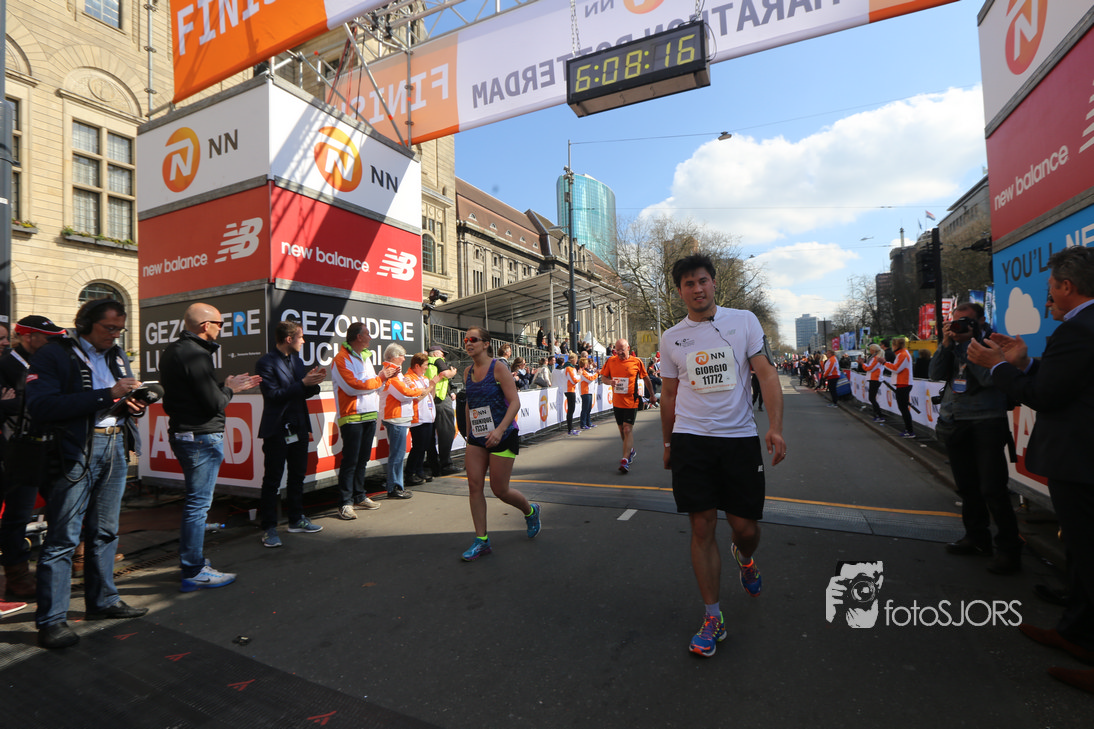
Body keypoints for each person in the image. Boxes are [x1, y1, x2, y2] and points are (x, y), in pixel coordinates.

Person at [967, 246, 1094, 694]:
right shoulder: (1081, 329)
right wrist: (1023, 362)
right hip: (1078, 460)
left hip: (1081, 461)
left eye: (1050, 288)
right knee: (1079, 553)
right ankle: (1075, 632)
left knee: (1089, 555)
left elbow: (1043, 395)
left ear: (1067, 286)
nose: (1047, 299)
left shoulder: (1079, 328)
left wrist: (999, 366)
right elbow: (1062, 381)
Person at [659, 254, 786, 658]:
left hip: (738, 439)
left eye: (702, 281)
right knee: (702, 526)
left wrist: (775, 427)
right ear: (679, 292)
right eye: (688, 284)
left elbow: (766, 373)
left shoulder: (744, 321)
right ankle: (713, 616)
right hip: (691, 440)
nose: (697, 289)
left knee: (744, 527)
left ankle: (745, 557)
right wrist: (668, 444)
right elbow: (668, 394)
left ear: (714, 283)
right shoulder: (671, 337)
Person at [26, 298, 150, 649]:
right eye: (109, 328)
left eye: (119, 329)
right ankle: (51, 621)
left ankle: (103, 600)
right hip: (75, 451)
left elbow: (117, 398)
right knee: (63, 537)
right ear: (84, 324)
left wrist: (132, 404)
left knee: (106, 531)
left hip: (115, 444)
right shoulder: (54, 355)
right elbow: (41, 405)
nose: (115, 335)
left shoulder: (116, 354)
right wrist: (107, 394)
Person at [160, 303, 261, 591]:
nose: (222, 329)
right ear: (206, 326)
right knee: (198, 505)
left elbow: (191, 394)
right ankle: (193, 569)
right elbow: (213, 403)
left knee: (195, 503)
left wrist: (222, 385)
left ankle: (192, 562)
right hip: (201, 436)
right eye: (220, 324)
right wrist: (231, 389)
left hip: (185, 433)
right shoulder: (196, 353)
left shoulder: (174, 350)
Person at [929, 302, 1021, 575]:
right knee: (967, 487)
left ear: (980, 321)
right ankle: (976, 537)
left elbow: (989, 379)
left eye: (966, 321)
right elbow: (934, 374)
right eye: (955, 321)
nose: (960, 326)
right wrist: (947, 343)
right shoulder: (953, 343)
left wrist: (970, 345)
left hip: (986, 421)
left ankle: (1008, 550)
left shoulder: (993, 344)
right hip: (956, 420)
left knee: (993, 488)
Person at [458, 327, 540, 561]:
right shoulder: (467, 371)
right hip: (478, 437)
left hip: (503, 435)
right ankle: (481, 540)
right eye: (466, 339)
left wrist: (500, 429)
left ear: (486, 344)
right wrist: (468, 433)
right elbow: (470, 403)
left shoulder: (499, 368)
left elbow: (515, 402)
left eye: (473, 339)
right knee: (474, 486)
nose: (468, 343)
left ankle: (530, 511)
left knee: (500, 490)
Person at [1, 316, 66, 604]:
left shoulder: (46, 362)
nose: (53, 343)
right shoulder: (6, 365)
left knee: (62, 506)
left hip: (50, 446)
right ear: (27, 337)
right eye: (47, 337)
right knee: (18, 514)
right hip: (19, 450)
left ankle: (66, 562)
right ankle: (17, 576)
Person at [256, 320, 327, 548]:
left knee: (297, 476)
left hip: (299, 426)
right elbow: (274, 395)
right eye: (301, 337)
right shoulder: (265, 362)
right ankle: (269, 527)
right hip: (277, 428)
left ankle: (296, 519)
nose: (303, 341)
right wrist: (303, 382)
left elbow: (302, 392)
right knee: (273, 479)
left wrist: (313, 383)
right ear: (289, 339)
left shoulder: (297, 361)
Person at [331, 322, 394, 520]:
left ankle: (359, 496)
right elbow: (352, 387)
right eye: (367, 333)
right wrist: (380, 379)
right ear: (358, 337)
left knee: (363, 459)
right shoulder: (341, 358)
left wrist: (382, 379)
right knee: (350, 460)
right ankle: (345, 503)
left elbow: (372, 386)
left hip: (369, 414)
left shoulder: (365, 358)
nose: (370, 337)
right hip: (351, 416)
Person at [381, 344, 435, 499]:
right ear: (393, 357)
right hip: (395, 417)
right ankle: (394, 487)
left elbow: (408, 390)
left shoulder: (396, 373)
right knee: (397, 456)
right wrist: (420, 391)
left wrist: (413, 389)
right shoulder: (391, 372)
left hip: (399, 417)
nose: (404, 359)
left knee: (398, 455)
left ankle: (397, 486)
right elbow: (405, 393)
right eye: (402, 356)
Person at [599, 338, 656, 473]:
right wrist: (610, 382)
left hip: (631, 401)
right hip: (617, 402)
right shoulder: (611, 361)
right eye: (617, 350)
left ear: (628, 348)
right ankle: (630, 450)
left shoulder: (636, 362)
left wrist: (652, 395)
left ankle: (625, 459)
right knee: (621, 430)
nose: (619, 353)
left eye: (622, 350)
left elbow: (646, 378)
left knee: (627, 429)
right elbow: (603, 377)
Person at [405, 353, 438, 486]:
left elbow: (432, 396)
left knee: (424, 446)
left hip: (428, 416)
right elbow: (417, 397)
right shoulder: (408, 378)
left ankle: (419, 471)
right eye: (425, 365)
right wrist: (430, 386)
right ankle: (410, 473)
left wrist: (432, 385)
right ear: (417, 366)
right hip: (418, 417)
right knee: (418, 446)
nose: (427, 367)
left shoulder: (423, 378)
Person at [426, 344, 458, 477]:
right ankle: (446, 464)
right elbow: (445, 373)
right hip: (440, 399)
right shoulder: (437, 360)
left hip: (429, 400)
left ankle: (433, 464)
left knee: (430, 435)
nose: (444, 356)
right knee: (447, 432)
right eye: (442, 353)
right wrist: (453, 372)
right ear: (435, 354)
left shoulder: (425, 363)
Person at [884, 337, 915, 438]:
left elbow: (896, 369)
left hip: (903, 383)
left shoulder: (902, 355)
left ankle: (909, 431)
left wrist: (884, 363)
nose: (892, 347)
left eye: (893, 345)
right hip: (903, 383)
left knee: (903, 408)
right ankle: (908, 430)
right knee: (903, 408)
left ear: (896, 346)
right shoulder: (902, 354)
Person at [858, 344, 886, 423]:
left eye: (870, 349)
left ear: (873, 350)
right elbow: (869, 367)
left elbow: (870, 368)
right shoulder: (874, 358)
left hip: (875, 379)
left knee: (872, 398)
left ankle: (879, 415)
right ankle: (877, 415)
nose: (869, 351)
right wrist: (862, 363)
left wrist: (862, 363)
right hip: (874, 378)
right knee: (872, 398)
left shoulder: (876, 358)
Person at [578, 355, 597, 430]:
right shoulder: (582, 372)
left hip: (589, 391)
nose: (588, 365)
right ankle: (583, 424)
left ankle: (588, 423)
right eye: (586, 363)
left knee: (588, 408)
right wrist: (597, 374)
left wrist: (595, 372)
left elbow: (591, 377)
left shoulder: (586, 371)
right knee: (585, 409)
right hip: (585, 391)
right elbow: (590, 379)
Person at [563, 354, 580, 436]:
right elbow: (574, 380)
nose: (576, 361)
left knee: (571, 410)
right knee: (570, 410)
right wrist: (579, 375)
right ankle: (570, 429)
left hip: (571, 389)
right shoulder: (569, 368)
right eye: (576, 359)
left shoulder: (570, 368)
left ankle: (571, 428)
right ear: (573, 359)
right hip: (569, 390)